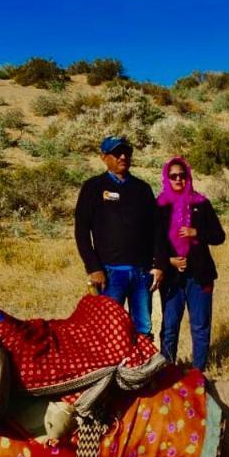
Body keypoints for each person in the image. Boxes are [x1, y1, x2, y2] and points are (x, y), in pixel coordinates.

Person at [74, 136, 165, 336]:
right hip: (109, 273)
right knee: (108, 328)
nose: (123, 157)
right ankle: (112, 367)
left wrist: (158, 265)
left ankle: (140, 367)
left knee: (143, 327)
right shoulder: (93, 187)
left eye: (127, 153)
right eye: (117, 153)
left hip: (141, 273)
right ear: (103, 157)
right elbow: (81, 231)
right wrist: (94, 268)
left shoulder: (142, 189)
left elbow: (156, 229)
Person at [155, 156, 225, 369]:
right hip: (172, 276)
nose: (178, 180)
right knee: (169, 327)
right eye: (173, 176)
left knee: (200, 326)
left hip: (199, 274)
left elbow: (219, 236)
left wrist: (198, 232)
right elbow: (154, 240)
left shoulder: (201, 204)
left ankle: (199, 372)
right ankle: (166, 371)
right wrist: (168, 261)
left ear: (188, 177)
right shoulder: (159, 206)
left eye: (182, 175)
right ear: (167, 178)